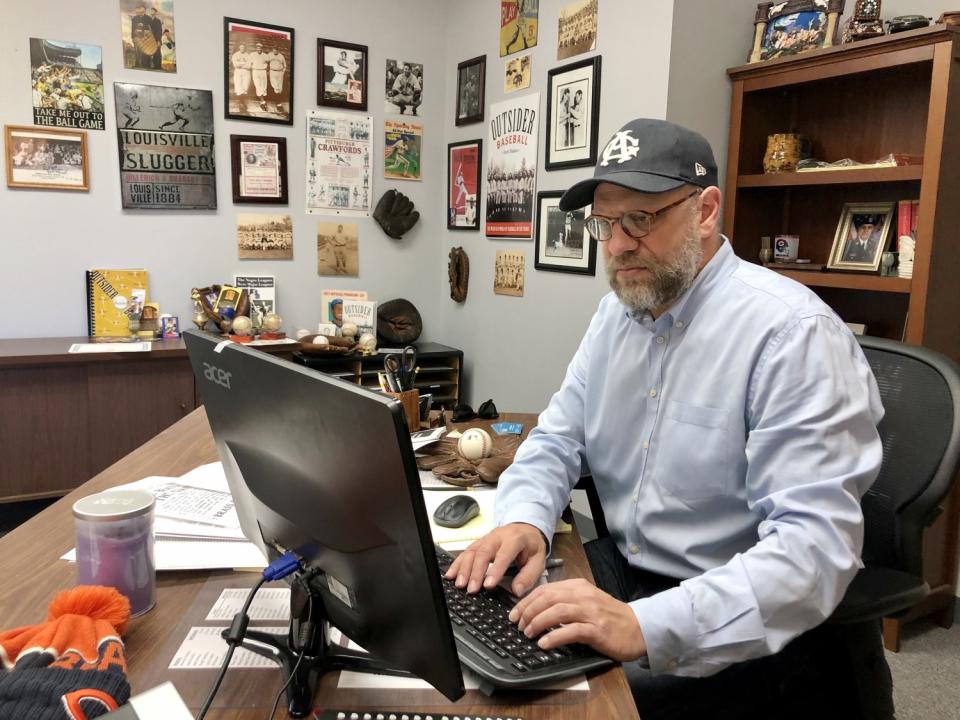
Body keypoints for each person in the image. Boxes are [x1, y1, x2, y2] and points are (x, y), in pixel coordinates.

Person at [446, 118, 893, 719]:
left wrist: (642, 624)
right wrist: (526, 519)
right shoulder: (615, 317)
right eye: (606, 222)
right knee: (468, 628)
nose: (618, 244)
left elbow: (811, 555)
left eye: (642, 219)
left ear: (706, 211)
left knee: (544, 708)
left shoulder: (792, 336)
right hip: (627, 568)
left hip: (738, 619)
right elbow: (556, 438)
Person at [250, 42, 270, 110]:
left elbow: (268, 63)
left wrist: (266, 70)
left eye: (260, 48)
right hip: (255, 71)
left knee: (263, 86)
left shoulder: (265, 55)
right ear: (256, 48)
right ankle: (262, 102)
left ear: (262, 49)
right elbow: (250, 63)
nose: (259, 49)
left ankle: (262, 101)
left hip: (263, 71)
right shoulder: (252, 54)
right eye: (257, 48)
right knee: (258, 86)